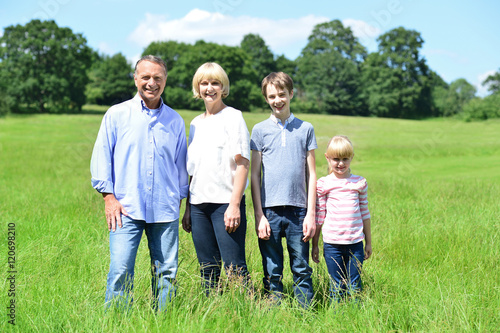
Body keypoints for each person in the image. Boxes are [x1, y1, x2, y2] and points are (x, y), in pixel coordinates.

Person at [90, 55, 189, 311]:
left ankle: (164, 321)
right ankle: (116, 322)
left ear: (165, 81)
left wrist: (179, 200)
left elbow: (180, 167)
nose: (151, 83)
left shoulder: (175, 121)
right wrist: (108, 198)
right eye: (145, 77)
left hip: (164, 210)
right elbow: (102, 157)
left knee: (166, 272)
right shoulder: (117, 115)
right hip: (125, 209)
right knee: (121, 270)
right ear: (136, 79)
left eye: (157, 77)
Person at [181, 62, 251, 295]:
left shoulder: (233, 117)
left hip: (226, 204)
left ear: (223, 87)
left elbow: (242, 164)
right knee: (207, 269)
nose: (209, 88)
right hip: (199, 205)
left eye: (215, 83)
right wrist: (189, 209)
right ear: (197, 87)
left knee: (234, 267)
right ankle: (213, 313)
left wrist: (234, 205)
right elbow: (194, 170)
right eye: (204, 83)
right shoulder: (195, 124)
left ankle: (247, 312)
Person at [250, 72, 317, 307]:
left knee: (301, 268)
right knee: (272, 269)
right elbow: (254, 176)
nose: (277, 100)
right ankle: (274, 314)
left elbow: (312, 174)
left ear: (291, 94)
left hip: (299, 211)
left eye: (282, 94)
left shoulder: (305, 128)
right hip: (269, 212)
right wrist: (259, 215)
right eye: (272, 96)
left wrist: (311, 213)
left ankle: (305, 314)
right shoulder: (259, 130)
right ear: (266, 99)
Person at [312, 135, 372, 302]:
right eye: (336, 159)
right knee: (337, 285)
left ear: (351, 158)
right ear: (327, 158)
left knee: (355, 285)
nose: (341, 163)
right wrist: (315, 244)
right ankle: (337, 318)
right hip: (332, 244)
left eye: (345, 159)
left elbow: (365, 213)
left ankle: (356, 319)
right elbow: (320, 216)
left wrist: (368, 242)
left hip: (355, 244)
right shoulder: (324, 184)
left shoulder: (359, 183)